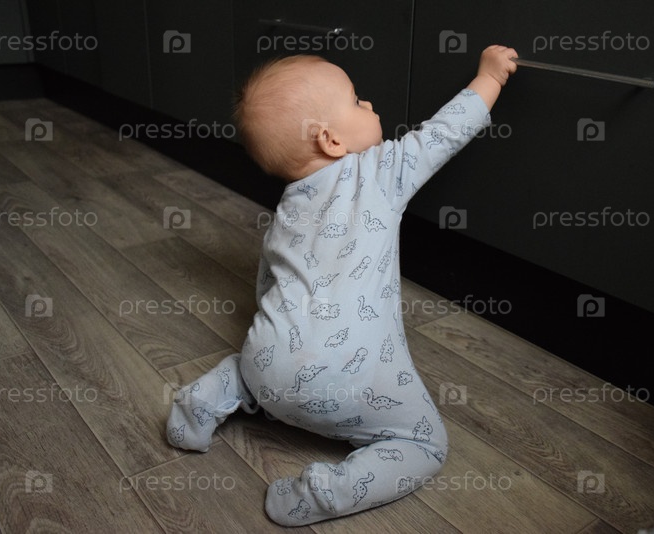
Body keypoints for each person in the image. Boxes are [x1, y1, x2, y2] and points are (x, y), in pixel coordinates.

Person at [166, 45, 518, 526]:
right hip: (347, 383)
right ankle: (326, 493)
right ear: (331, 140)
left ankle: (198, 408)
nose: (368, 104)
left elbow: (268, 284)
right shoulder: (381, 172)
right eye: (356, 100)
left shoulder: (287, 208)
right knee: (426, 444)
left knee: (249, 367)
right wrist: (490, 77)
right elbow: (444, 132)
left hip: (268, 363)